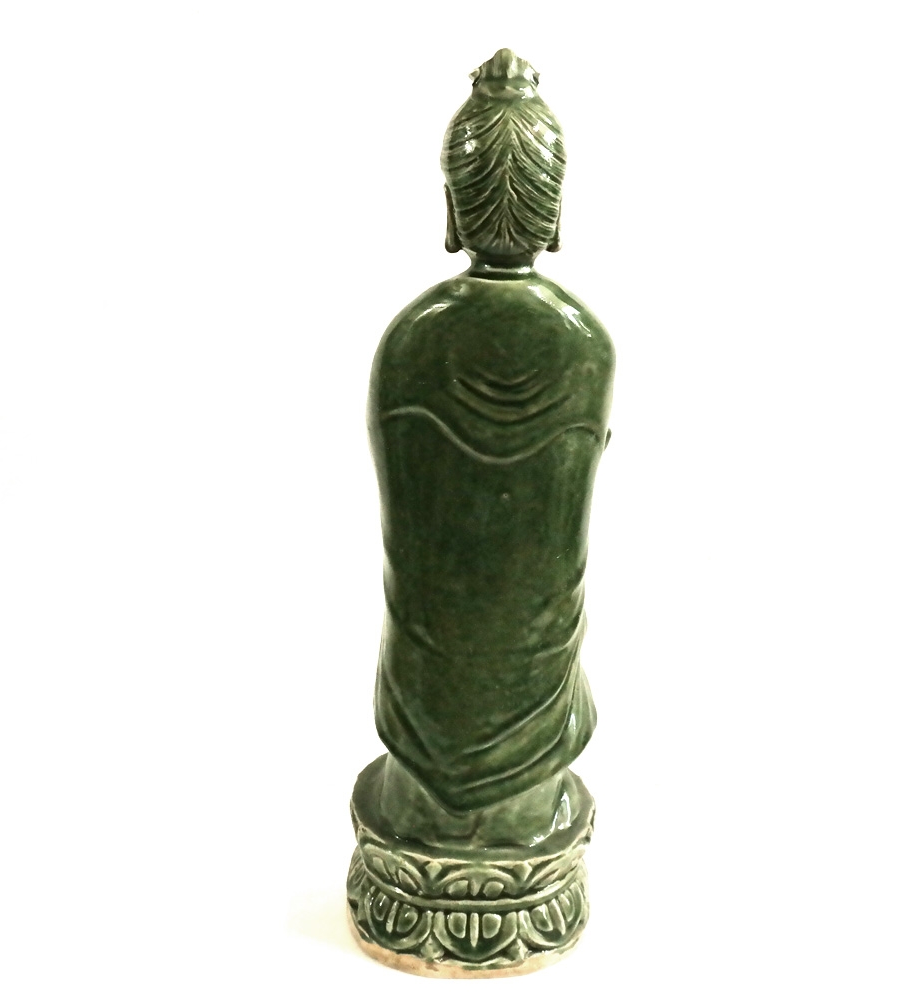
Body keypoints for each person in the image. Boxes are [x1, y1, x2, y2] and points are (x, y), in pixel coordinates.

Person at [367, 49, 615, 848]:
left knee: (432, 623)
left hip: (424, 709)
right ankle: (517, 827)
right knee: (535, 624)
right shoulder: (584, 344)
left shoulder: (410, 341)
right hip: (534, 705)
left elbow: (416, 543)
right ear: (555, 213)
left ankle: (432, 834)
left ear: (452, 209)